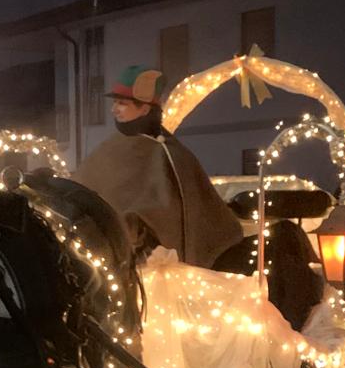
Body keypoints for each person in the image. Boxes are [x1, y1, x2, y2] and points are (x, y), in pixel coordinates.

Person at [74, 66, 242, 268]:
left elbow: (192, 210)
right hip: (116, 263)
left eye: (122, 103)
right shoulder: (110, 150)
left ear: (144, 109)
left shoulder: (171, 151)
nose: (114, 109)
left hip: (163, 268)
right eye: (115, 102)